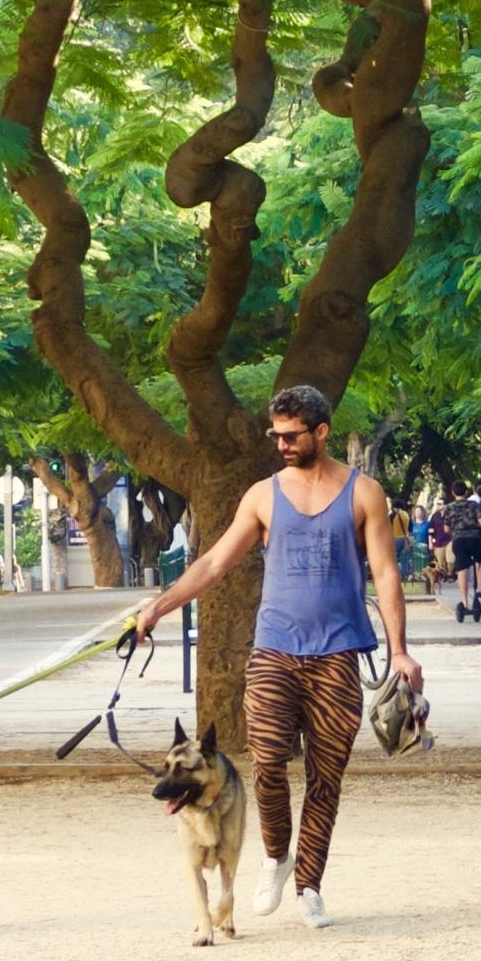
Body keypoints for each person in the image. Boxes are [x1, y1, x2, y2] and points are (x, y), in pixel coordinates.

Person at [137, 384, 419, 930]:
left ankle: (309, 884)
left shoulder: (365, 493)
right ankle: (276, 856)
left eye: (292, 435)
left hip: (339, 653)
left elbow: (385, 573)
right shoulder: (262, 496)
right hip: (274, 650)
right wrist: (159, 607)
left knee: (325, 774)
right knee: (266, 762)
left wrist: (401, 652)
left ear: (321, 432)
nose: (282, 444)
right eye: (276, 435)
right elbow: (215, 562)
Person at [439, 480, 481, 625]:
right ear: (466, 492)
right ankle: (480, 588)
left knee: (462, 569)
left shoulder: (448, 508)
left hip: (459, 540)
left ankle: (464, 602)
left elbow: (446, 529)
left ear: (453, 492)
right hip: (475, 537)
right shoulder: (474, 505)